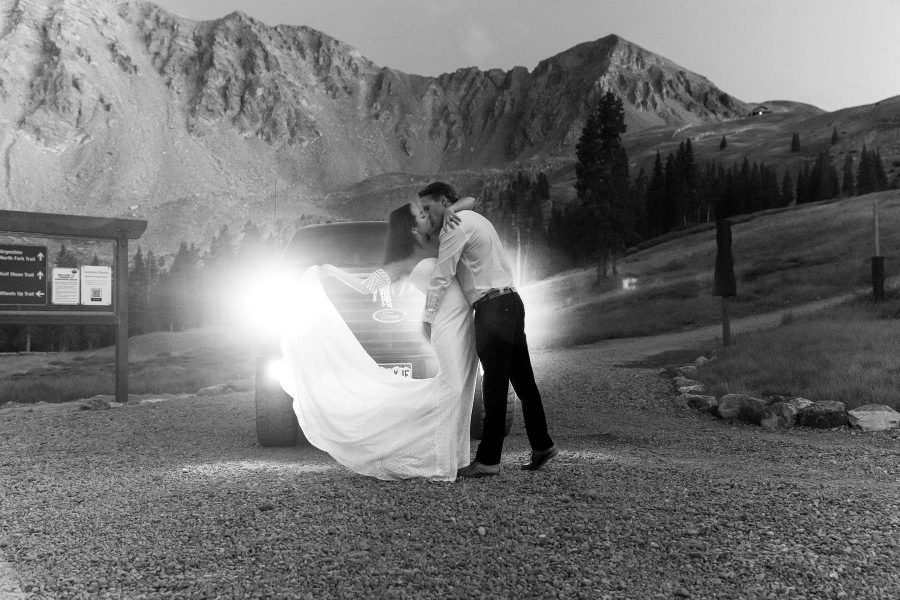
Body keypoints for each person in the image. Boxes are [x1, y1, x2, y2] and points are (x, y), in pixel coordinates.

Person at [278, 198, 479, 481]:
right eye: (421, 215)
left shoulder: (440, 237)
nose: (427, 215)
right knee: (452, 387)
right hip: (445, 324)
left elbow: (471, 202)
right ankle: (439, 465)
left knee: (466, 386)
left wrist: (450, 209)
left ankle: (457, 459)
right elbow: (365, 287)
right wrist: (329, 272)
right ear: (412, 229)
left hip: (467, 319)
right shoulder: (402, 263)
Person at [418, 181, 557, 479]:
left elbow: (442, 274)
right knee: (523, 380)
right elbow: (470, 199)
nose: (426, 215)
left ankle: (488, 460)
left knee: (494, 385)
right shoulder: (473, 218)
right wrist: (453, 208)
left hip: (492, 308)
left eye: (428, 208)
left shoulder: (453, 227)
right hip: (511, 302)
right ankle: (542, 444)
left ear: (444, 202)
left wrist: (428, 317)